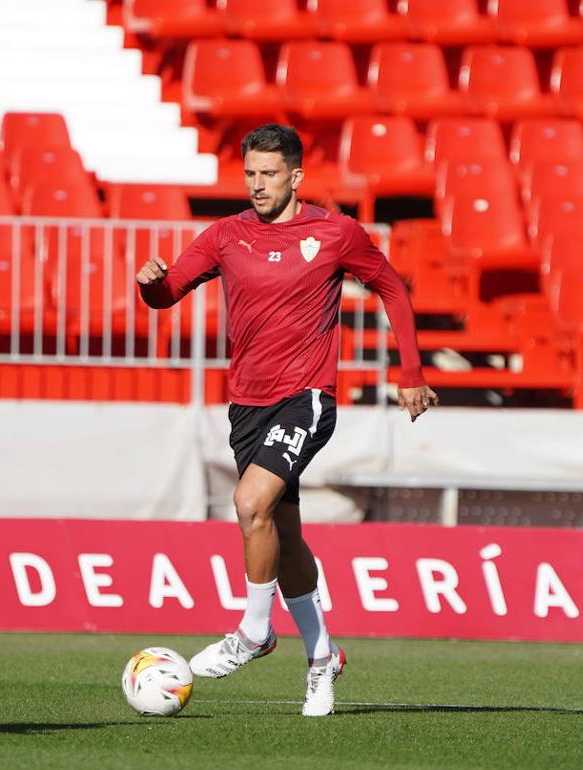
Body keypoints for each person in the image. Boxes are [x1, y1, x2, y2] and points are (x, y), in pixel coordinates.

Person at [137, 124, 437, 717]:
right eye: (250, 173)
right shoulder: (226, 235)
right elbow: (169, 292)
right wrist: (151, 286)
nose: (257, 184)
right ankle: (322, 656)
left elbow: (392, 288)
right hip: (246, 406)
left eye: (269, 174)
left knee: (250, 504)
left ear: (295, 177)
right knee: (284, 534)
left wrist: (411, 373)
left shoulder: (334, 233)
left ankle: (254, 632)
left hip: (306, 398)